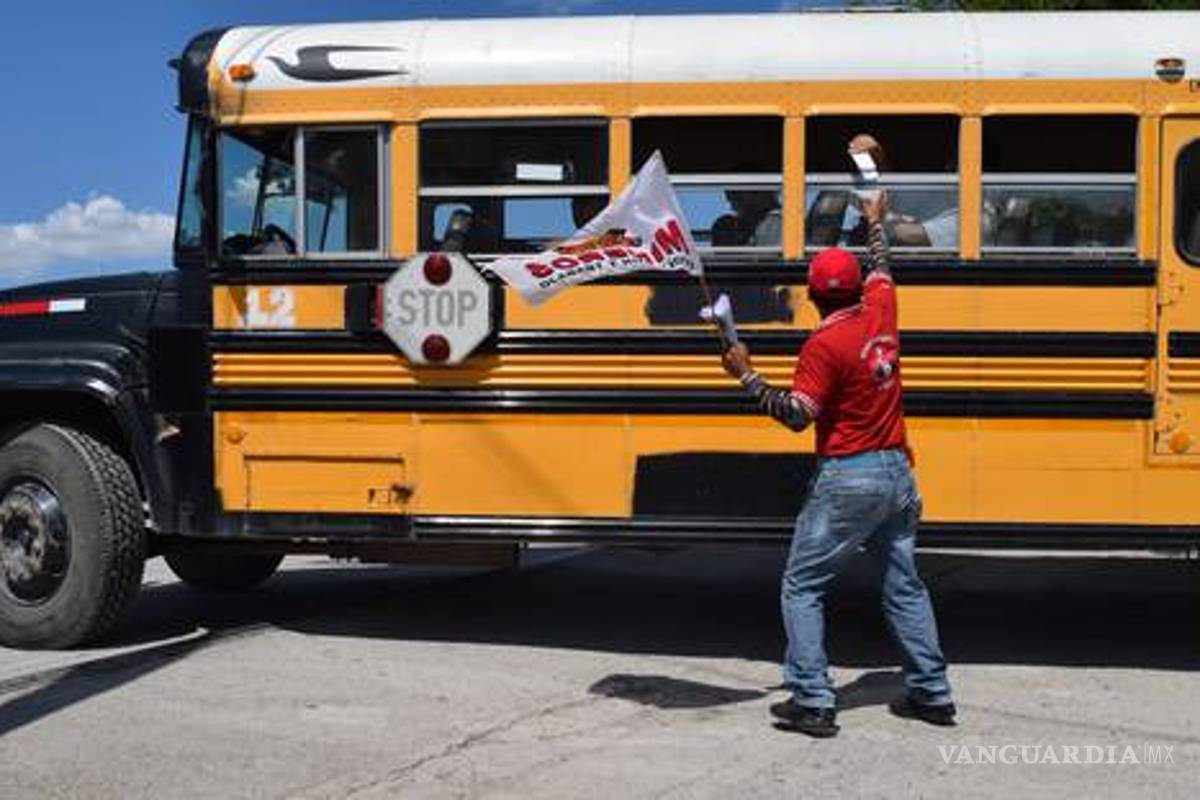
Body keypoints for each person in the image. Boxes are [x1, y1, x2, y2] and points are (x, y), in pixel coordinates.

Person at [720, 189, 955, 739]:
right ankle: (932, 691)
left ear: (812, 295)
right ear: (854, 286)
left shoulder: (823, 346)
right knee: (904, 585)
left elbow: (798, 415)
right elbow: (883, 264)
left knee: (801, 585)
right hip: (898, 471)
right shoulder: (882, 310)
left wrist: (746, 375)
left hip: (849, 476)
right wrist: (874, 220)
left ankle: (814, 700)